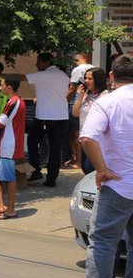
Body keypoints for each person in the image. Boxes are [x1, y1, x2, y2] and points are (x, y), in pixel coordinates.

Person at [59, 55, 133, 278]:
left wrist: (101, 169)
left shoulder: (108, 102)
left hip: (118, 185)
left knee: (102, 242)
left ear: (111, 77)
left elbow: (87, 138)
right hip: (124, 183)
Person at [25, 52, 70, 187]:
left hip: (45, 116)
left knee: (32, 141)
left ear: (45, 62)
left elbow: (21, 77)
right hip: (61, 116)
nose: (36, 64)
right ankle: (51, 179)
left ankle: (36, 169)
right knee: (55, 149)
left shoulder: (43, 75)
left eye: (38, 61)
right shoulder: (63, 75)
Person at [0, 77, 26, 220]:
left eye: (2, 85)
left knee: (9, 178)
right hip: (4, 144)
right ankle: (1, 205)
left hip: (8, 145)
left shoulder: (14, 102)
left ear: (9, 87)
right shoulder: (15, 101)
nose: (0, 87)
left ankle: (10, 209)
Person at [73, 68, 109, 174]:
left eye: (90, 78)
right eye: (85, 78)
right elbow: (75, 113)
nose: (86, 81)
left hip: (98, 140)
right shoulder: (84, 95)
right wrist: (80, 97)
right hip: (84, 137)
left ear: (98, 80)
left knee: (90, 168)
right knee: (85, 168)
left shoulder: (105, 96)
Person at [66, 53, 95, 169]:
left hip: (77, 101)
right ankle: (77, 158)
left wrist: (64, 101)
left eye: (76, 61)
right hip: (89, 102)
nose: (75, 63)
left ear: (84, 58)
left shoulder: (77, 70)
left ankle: (78, 160)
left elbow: (72, 88)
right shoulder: (92, 68)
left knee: (75, 132)